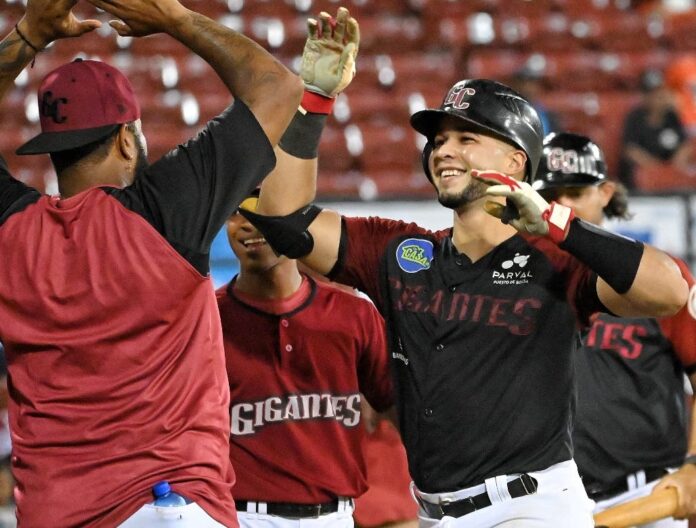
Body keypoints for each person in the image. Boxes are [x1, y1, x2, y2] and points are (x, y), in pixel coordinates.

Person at [239, 70, 689, 526]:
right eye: (439, 140)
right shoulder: (399, 251)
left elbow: (671, 291)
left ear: (516, 162)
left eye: (466, 138)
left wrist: (560, 224)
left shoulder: (555, 257)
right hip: (435, 512)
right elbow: (280, 216)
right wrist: (315, 99)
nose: (443, 150)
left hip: (529, 506)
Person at [0, 0, 302, 526]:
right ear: (125, 137)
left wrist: (27, 34)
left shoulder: (9, 233)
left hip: (53, 513)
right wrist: (175, 19)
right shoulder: (166, 211)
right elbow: (278, 87)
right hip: (164, 504)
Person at [532, 131, 696, 525]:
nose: (562, 206)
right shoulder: (517, 283)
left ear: (605, 192)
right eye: (551, 197)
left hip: (644, 497)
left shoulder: (659, 282)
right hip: (546, 500)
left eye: (574, 193)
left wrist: (692, 463)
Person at [618, 68, 693, 190]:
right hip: (642, 183)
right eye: (652, 94)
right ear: (644, 96)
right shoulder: (635, 117)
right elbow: (630, 150)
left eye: (660, 93)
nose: (657, 98)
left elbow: (685, 145)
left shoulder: (672, 116)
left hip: (671, 180)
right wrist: (656, 169)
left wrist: (677, 162)